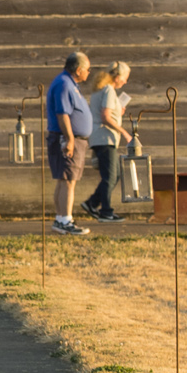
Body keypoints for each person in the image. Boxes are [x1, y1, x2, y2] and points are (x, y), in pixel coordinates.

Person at [44, 51, 94, 235]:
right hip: (66, 139)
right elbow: (62, 113)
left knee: (64, 180)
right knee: (68, 180)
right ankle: (65, 219)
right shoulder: (64, 84)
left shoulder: (69, 84)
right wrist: (71, 139)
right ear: (78, 69)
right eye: (88, 69)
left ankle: (61, 218)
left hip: (70, 138)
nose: (89, 73)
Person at [81, 61, 133, 224]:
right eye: (124, 78)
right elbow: (105, 116)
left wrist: (119, 110)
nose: (125, 82)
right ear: (117, 77)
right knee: (110, 176)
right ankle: (105, 211)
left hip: (100, 137)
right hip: (105, 138)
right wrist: (124, 131)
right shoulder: (109, 91)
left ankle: (92, 203)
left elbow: (102, 113)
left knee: (114, 174)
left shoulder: (100, 90)